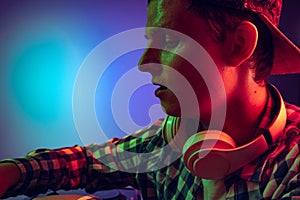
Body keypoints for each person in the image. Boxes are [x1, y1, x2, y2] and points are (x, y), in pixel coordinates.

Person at [1, 0, 300, 199]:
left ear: (238, 45)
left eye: (169, 41)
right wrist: (12, 171)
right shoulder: (173, 137)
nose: (144, 62)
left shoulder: (292, 166)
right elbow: (90, 162)